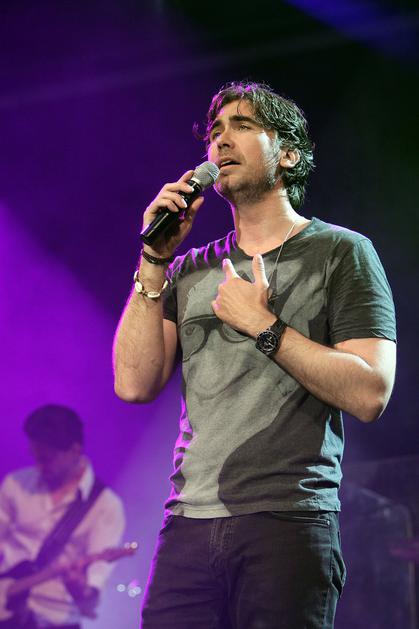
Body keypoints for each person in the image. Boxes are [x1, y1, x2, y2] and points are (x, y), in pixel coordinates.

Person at [113, 80, 397, 628]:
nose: (221, 141)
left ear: (288, 154)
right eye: (215, 131)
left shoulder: (342, 252)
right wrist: (153, 259)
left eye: (243, 126)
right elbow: (132, 383)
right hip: (188, 524)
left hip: (288, 521)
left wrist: (264, 325)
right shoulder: (188, 268)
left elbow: (370, 392)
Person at [0, 404, 125, 629]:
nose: (39, 466)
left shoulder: (106, 507)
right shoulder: (16, 483)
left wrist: (80, 589)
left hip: (55, 619)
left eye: (47, 459)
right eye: (36, 457)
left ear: (75, 450)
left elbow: (92, 597)